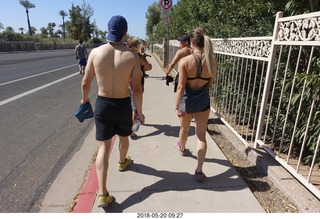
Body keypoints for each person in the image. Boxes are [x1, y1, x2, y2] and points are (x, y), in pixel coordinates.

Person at [80, 15, 145, 208]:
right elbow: (137, 88)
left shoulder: (96, 53)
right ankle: (123, 161)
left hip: (103, 104)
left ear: (107, 31)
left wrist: (84, 99)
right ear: (125, 33)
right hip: (123, 103)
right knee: (124, 136)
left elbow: (85, 82)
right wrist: (139, 112)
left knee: (103, 147)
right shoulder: (132, 56)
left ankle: (103, 194)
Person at [175, 27, 218, 182]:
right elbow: (211, 83)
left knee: (184, 129)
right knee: (201, 136)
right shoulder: (213, 61)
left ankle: (182, 148)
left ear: (192, 43)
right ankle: (199, 170)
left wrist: (177, 105)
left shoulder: (184, 61)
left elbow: (180, 87)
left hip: (187, 102)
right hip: (203, 102)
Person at [126, 37, 152, 137]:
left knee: (130, 107)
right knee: (135, 109)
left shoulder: (123, 55)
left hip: (124, 85)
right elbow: (149, 67)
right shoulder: (137, 57)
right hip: (134, 84)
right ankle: (132, 131)